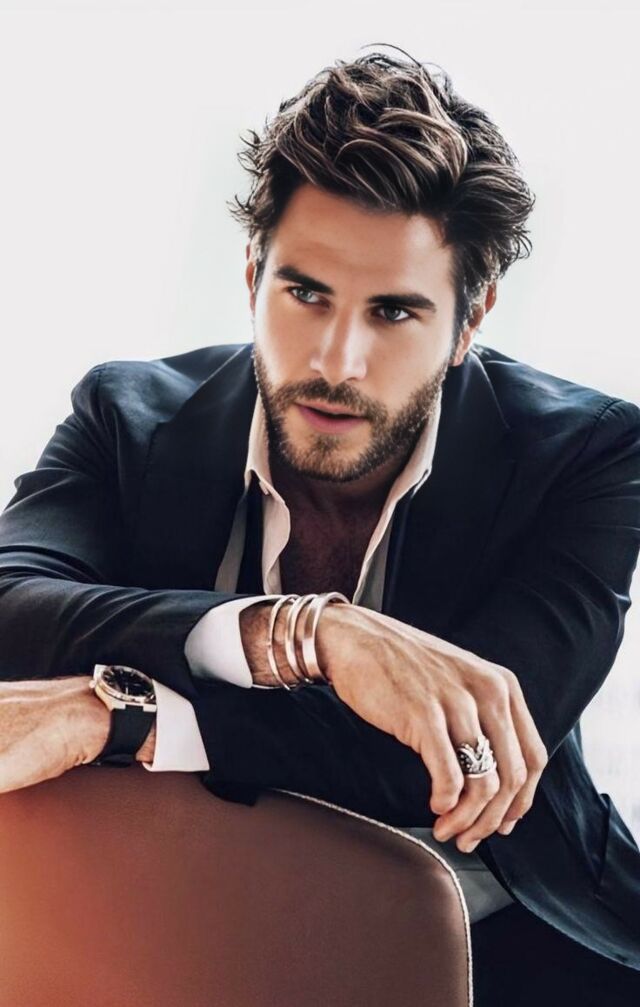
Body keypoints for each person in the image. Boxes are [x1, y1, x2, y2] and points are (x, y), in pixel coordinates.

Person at [0, 47, 639, 1005]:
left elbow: (453, 759)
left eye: (394, 311)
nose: (337, 361)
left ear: (470, 320)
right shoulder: (126, 417)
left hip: (506, 935)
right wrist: (310, 636)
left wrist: (120, 712)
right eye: (304, 293)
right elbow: (13, 609)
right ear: (252, 275)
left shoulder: (587, 456)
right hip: (180, 923)